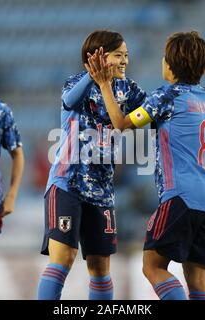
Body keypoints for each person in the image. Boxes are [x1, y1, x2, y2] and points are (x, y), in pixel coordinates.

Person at [87, 31, 205, 300]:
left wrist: (104, 84)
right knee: (197, 278)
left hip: (182, 196)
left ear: (171, 64)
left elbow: (121, 123)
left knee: (152, 265)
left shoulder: (167, 95)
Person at [37, 30, 146, 300]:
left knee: (100, 266)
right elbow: (69, 101)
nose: (124, 61)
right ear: (97, 57)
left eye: (126, 55)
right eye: (118, 55)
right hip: (67, 183)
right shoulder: (76, 83)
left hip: (102, 192)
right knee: (63, 257)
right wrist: (92, 75)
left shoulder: (129, 89)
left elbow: (148, 112)